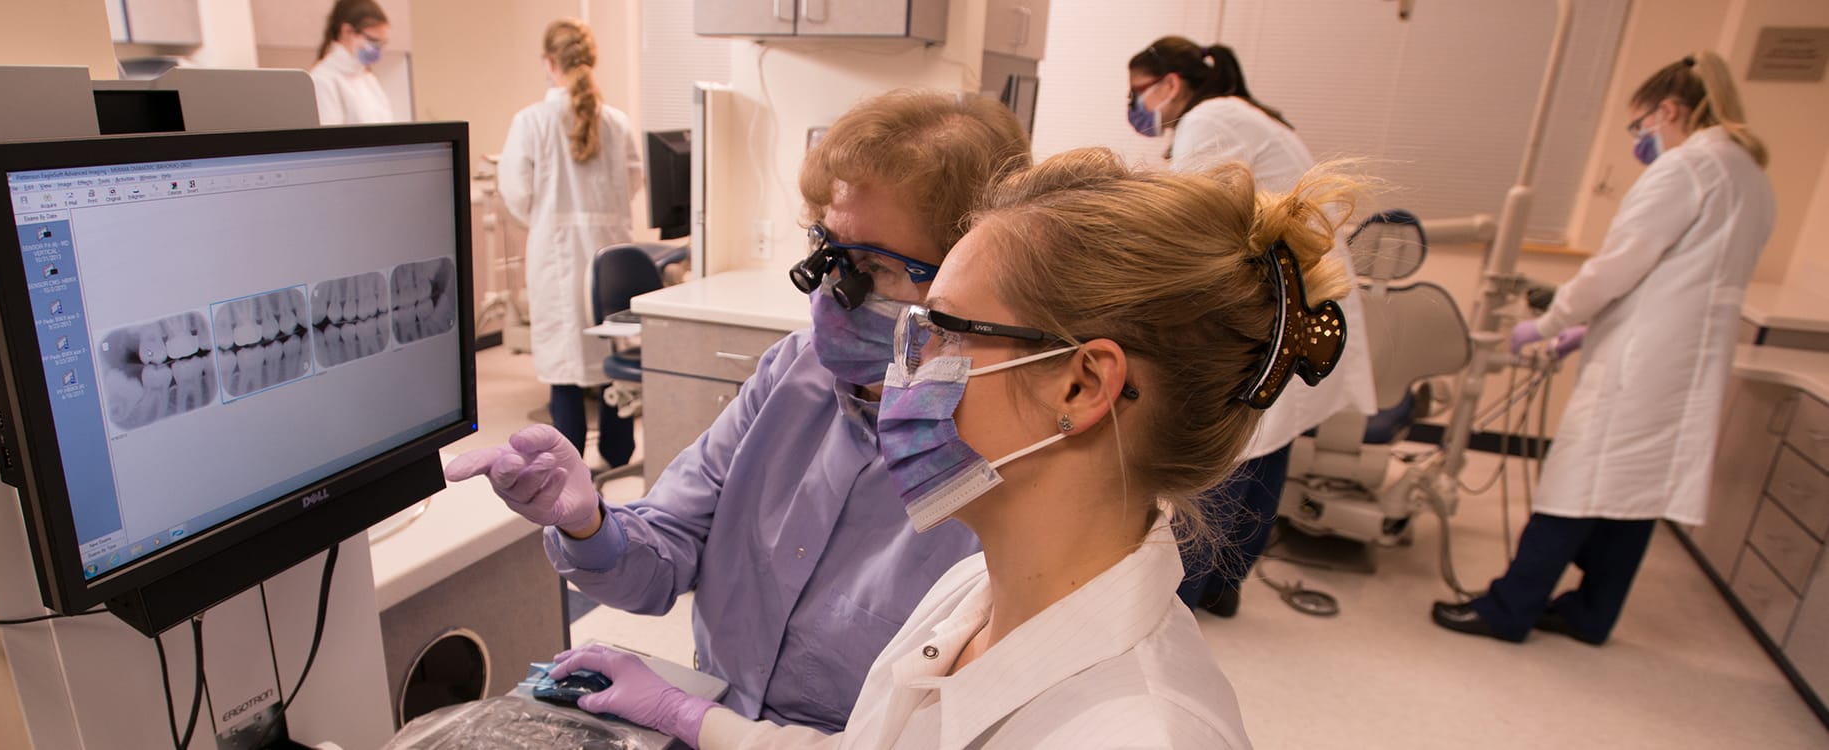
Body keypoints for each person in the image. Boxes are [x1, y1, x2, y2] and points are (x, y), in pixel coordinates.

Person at [545, 150, 1362, 749]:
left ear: (1081, 386)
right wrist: (695, 718)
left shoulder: (1137, 732)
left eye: (944, 332)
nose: (904, 368)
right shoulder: (974, 590)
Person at [445, 91, 1031, 731]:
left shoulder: (1008, 458)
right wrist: (588, 524)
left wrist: (697, 721)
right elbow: (660, 562)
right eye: (827, 250)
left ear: (965, 278)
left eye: (871, 267)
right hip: (708, 714)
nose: (834, 292)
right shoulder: (793, 372)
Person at [1432, 51, 1774, 645]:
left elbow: (1615, 268)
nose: (1641, 141)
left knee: (1578, 479)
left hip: (1643, 359)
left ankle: (1509, 609)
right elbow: (1680, 280)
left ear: (1669, 110)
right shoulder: (1747, 171)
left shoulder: (1685, 169)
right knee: (1636, 489)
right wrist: (1586, 332)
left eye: (1639, 126)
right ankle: (1592, 614)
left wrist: (1546, 324)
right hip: (1684, 358)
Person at [1128, 35, 1377, 615]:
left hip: (1279, 304)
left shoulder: (1210, 117)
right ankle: (1222, 589)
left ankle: (1176, 602)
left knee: (1229, 451)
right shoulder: (1244, 113)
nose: (1137, 104)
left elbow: (1188, 220)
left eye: (1140, 90)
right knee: (1267, 444)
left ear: (1171, 85)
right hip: (1298, 298)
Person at [494, 18, 644, 467]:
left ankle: (568, 470)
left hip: (557, 257)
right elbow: (633, 181)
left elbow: (517, 194)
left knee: (565, 368)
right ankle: (619, 458)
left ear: (549, 63)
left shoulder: (532, 121)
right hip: (610, 260)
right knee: (611, 358)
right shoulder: (616, 122)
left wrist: (547, 220)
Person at [310, 0, 395, 125]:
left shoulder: (367, 77)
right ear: (347, 31)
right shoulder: (322, 79)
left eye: (382, 43)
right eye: (372, 40)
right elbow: (329, 139)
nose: (377, 48)